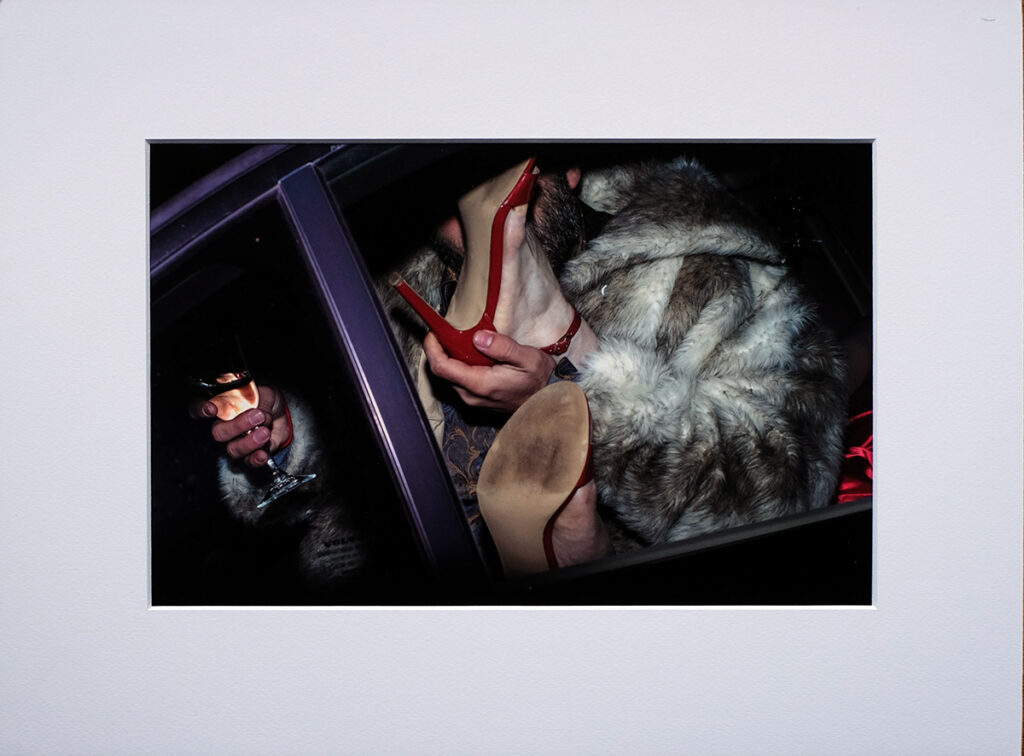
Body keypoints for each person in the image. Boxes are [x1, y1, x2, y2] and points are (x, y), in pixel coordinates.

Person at [197, 150, 847, 581]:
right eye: (446, 200)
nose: (464, 220)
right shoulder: (404, 287)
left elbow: (782, 504)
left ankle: (553, 327)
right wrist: (289, 439)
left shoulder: (721, 277)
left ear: (568, 169)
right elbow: (357, 469)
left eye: (489, 170)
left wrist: (578, 386)